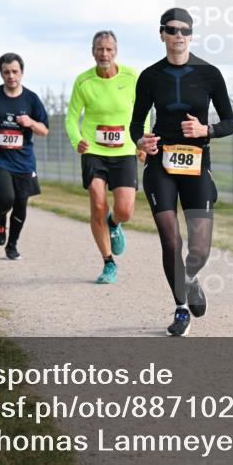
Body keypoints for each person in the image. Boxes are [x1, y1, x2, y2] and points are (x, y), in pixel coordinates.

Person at [130, 8, 233, 336]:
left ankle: (190, 279)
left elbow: (230, 123)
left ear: (191, 35)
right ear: (161, 34)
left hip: (196, 165)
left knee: (200, 248)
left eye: (184, 31)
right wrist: (141, 141)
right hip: (161, 164)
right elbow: (136, 122)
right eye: (171, 30)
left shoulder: (210, 74)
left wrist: (206, 130)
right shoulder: (149, 76)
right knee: (170, 240)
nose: (178, 36)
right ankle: (179, 308)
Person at [66, 30, 139, 284]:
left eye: (108, 49)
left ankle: (114, 223)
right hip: (94, 151)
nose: (104, 54)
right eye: (99, 49)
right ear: (93, 51)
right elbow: (72, 117)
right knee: (97, 202)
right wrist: (78, 140)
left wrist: (143, 140)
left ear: (116, 51)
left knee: (125, 210)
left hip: (125, 151)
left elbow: (143, 111)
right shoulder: (83, 81)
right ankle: (109, 262)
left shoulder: (131, 77)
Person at [0, 53, 49, 260]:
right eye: (6, 72)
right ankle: (0, 218)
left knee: (21, 203)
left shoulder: (31, 99)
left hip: (23, 160)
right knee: (7, 198)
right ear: (1, 73)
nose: (11, 76)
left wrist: (31, 123)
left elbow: (44, 130)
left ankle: (12, 245)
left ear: (22, 73)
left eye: (15, 71)